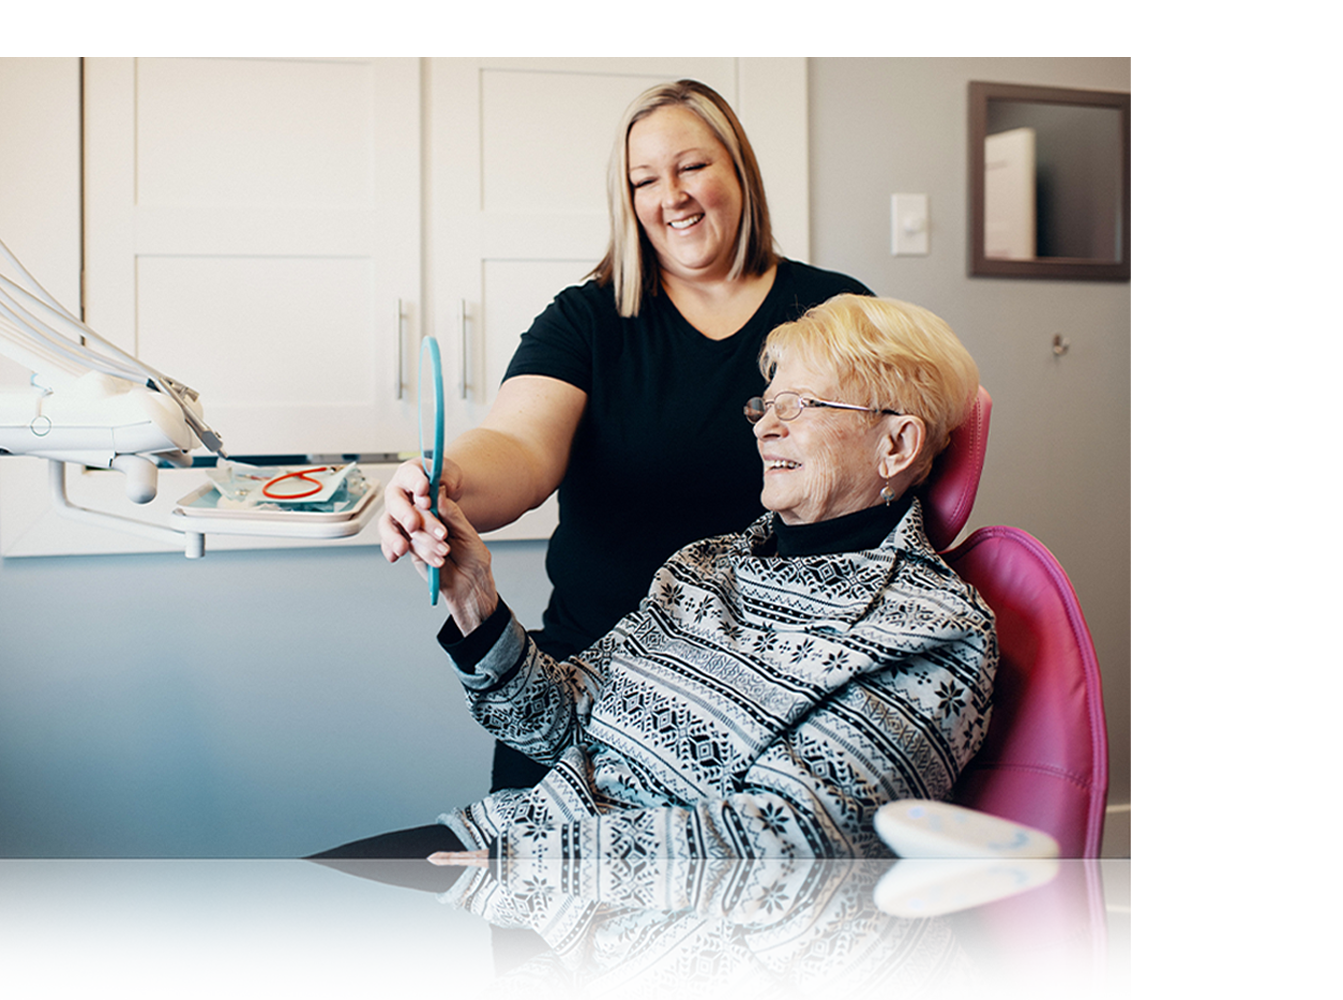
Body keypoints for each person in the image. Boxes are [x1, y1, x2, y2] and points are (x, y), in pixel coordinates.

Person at [424, 295, 997, 1000]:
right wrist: (474, 597)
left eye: (803, 405)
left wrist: (521, 852)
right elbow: (562, 722)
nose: (766, 428)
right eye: (766, 406)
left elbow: (790, 853)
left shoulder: (931, 626)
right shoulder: (706, 566)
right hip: (605, 943)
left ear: (897, 445)